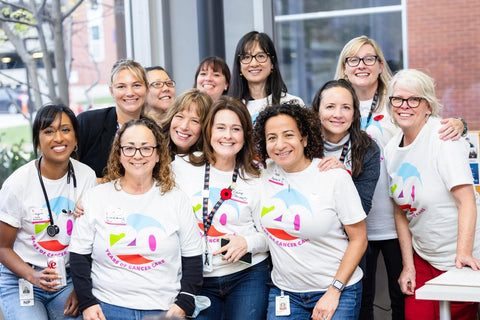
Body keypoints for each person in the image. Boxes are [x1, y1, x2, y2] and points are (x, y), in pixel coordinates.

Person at [334, 35, 467, 320]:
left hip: (399, 224)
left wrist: (460, 124)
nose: (361, 65)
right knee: (362, 297)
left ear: (381, 65)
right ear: (344, 67)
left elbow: (432, 125)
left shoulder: (396, 101)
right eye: (353, 59)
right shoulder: (336, 106)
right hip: (358, 223)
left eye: (369, 58)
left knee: (402, 297)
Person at [69, 117, 204, 320]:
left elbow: (193, 258)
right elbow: (79, 256)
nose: (138, 155)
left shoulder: (177, 199)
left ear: (158, 154)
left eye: (146, 148)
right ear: (119, 154)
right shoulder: (95, 197)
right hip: (106, 309)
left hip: (163, 310)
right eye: (129, 148)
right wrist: (87, 303)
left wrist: (183, 304)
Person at [254, 103, 367, 320]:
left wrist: (334, 291)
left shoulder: (333, 176)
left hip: (337, 289)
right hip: (284, 292)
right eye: (271, 138)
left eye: (288, 135)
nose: (280, 145)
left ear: (304, 138)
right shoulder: (262, 175)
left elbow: (359, 239)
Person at [384, 69, 480, 320]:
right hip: (425, 257)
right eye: (398, 99)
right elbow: (400, 211)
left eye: (413, 99)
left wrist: (463, 254)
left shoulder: (443, 138)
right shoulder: (391, 149)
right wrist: (408, 265)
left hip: (463, 256)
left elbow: (467, 201)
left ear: (428, 106)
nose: (404, 106)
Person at [171, 96, 270, 320]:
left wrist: (248, 242)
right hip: (198, 278)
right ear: (209, 132)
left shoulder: (257, 177)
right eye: (221, 128)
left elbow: (269, 234)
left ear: (245, 135)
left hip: (247, 274)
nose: (227, 136)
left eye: (235, 129)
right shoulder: (181, 166)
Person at [0, 104, 97, 320]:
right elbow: (2, 247)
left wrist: (81, 289)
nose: (59, 138)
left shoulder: (87, 177)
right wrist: (32, 275)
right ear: (37, 140)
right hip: (22, 278)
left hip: (68, 278)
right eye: (49, 131)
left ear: (76, 137)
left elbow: (91, 241)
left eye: (65, 129)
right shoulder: (17, 183)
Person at [312, 79, 380, 215]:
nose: (338, 114)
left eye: (346, 107)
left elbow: (362, 208)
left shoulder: (367, 148)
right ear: (318, 110)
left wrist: (344, 177)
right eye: (330, 106)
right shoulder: (303, 143)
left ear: (354, 114)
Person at [77, 59, 148, 178]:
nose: (130, 93)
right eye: (121, 87)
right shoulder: (88, 122)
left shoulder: (153, 131)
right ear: (111, 91)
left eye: (136, 85)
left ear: (147, 89)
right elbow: (68, 169)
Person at [228, 31, 304, 122]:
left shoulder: (292, 103)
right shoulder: (230, 108)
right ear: (239, 66)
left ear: (272, 63)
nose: (254, 63)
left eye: (260, 56)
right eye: (246, 57)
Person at [160, 88, 213, 159]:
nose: (184, 126)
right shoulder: (155, 151)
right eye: (180, 116)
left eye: (195, 121)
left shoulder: (210, 165)